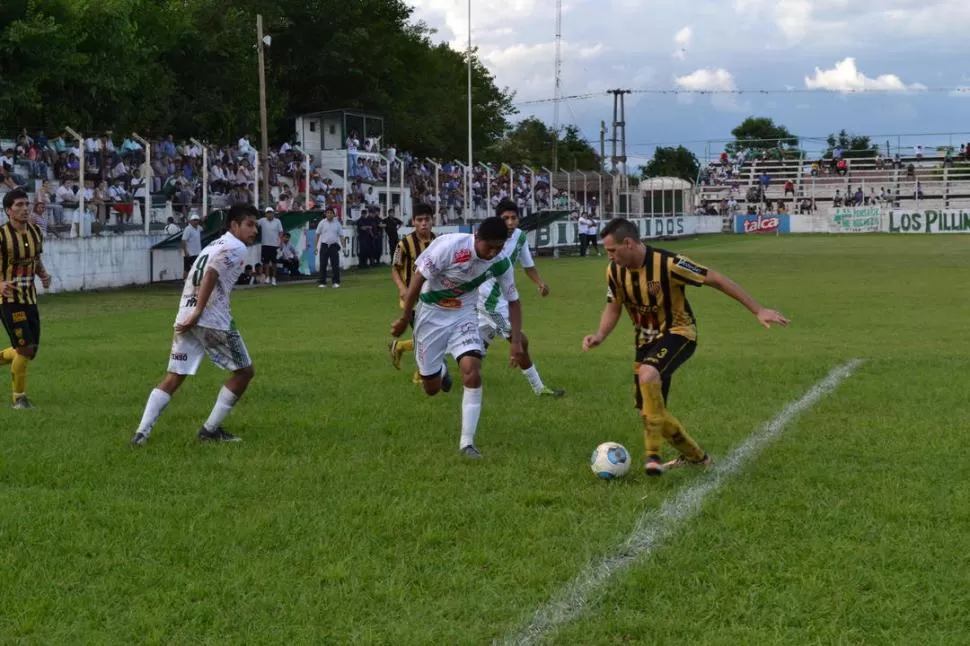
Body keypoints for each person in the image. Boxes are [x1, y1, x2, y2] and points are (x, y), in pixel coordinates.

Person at [582, 217, 790, 476]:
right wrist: (600, 335)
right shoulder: (614, 271)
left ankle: (654, 456)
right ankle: (696, 458)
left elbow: (716, 279)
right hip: (645, 341)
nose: (609, 257)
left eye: (612, 250)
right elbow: (613, 307)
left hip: (679, 332)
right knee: (648, 410)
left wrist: (758, 309)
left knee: (648, 375)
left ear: (628, 243)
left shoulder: (669, 264)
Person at [390, 216, 524, 458]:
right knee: (431, 389)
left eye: (499, 247)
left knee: (472, 371)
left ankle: (467, 443)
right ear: (477, 238)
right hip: (431, 314)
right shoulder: (449, 246)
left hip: (463, 314)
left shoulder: (501, 262)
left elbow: (514, 302)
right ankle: (439, 371)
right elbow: (418, 280)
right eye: (489, 247)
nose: (493, 252)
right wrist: (403, 318)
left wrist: (515, 342)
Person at [130, 204, 260, 446]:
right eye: (249, 224)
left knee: (174, 376)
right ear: (234, 225)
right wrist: (200, 311)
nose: (254, 230)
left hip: (185, 314)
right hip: (212, 319)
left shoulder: (214, 244)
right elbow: (210, 273)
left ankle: (141, 433)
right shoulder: (236, 246)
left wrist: (191, 312)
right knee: (244, 372)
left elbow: (197, 272)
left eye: (256, 225)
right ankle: (210, 431)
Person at [477, 199, 564, 397]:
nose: (510, 222)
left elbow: (528, 265)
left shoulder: (520, 237)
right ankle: (539, 388)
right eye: (505, 218)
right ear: (497, 219)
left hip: (503, 299)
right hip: (487, 301)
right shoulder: (487, 236)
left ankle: (431, 365)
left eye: (513, 217)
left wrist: (540, 282)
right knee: (521, 341)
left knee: (476, 345)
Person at [0, 188, 52, 409]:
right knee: (24, 348)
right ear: (7, 210)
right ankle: (19, 398)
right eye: (18, 205)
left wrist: (43, 274)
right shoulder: (2, 236)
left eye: (25, 204)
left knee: (31, 350)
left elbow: (35, 258)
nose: (24, 209)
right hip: (9, 300)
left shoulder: (36, 231)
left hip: (29, 298)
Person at [388, 203, 435, 384]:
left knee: (430, 335)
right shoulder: (405, 243)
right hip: (412, 300)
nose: (423, 223)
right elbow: (395, 269)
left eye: (427, 220)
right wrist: (402, 288)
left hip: (433, 298)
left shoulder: (438, 242)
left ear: (432, 221)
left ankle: (399, 346)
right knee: (425, 336)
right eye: (419, 220)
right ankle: (421, 373)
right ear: (413, 222)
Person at [315, 207, 342, 288]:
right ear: (325, 214)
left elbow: (341, 235)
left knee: (335, 264)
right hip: (324, 245)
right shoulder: (322, 223)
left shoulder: (337, 223)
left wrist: (343, 246)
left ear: (333, 214)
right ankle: (322, 282)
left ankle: (336, 282)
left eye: (331, 213)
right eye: (328, 213)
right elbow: (317, 235)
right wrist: (315, 246)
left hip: (334, 245)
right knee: (323, 264)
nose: (329, 214)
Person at [258, 206, 283, 285]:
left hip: (274, 245)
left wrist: (281, 243)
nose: (269, 215)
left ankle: (274, 278)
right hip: (265, 244)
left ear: (273, 213)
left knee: (274, 262)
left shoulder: (277, 221)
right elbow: (254, 223)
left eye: (271, 213)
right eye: (268, 213)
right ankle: (267, 277)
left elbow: (281, 232)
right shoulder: (262, 221)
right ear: (265, 214)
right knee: (266, 262)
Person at [181, 213, 203, 278]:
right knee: (186, 269)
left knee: (197, 268)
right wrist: (186, 252)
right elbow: (183, 240)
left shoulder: (199, 228)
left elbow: (204, 228)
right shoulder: (188, 229)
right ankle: (184, 281)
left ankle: (194, 281)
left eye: (197, 220)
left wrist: (203, 220)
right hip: (189, 253)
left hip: (197, 252)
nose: (195, 221)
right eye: (194, 220)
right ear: (191, 221)